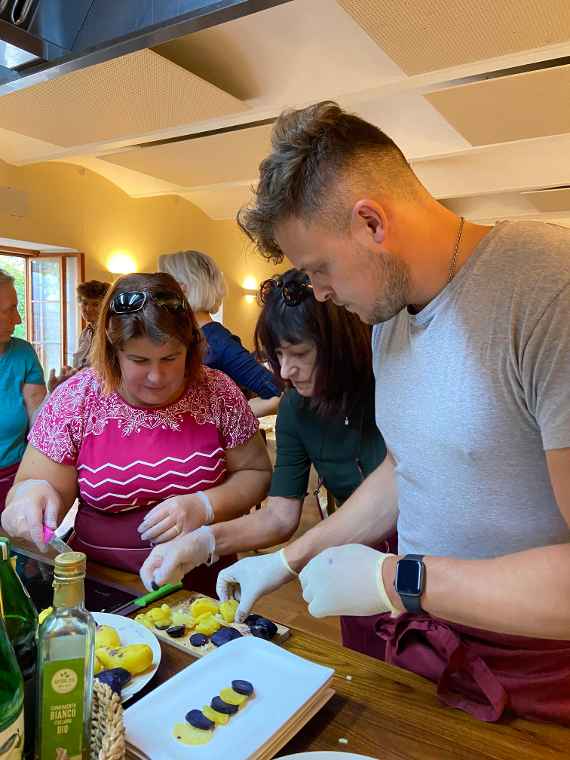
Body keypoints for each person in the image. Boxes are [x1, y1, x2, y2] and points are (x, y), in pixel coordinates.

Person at [234, 101, 570, 724]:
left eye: (319, 268)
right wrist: (288, 559)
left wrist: (400, 580)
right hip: (430, 642)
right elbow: (404, 471)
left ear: (371, 222)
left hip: (540, 670)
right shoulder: (388, 323)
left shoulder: (549, 289)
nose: (322, 294)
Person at [140, 270, 390, 661]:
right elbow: (279, 516)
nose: (285, 371)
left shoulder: (391, 387)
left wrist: (284, 562)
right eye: (277, 356)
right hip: (350, 554)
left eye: (300, 354)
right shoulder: (295, 408)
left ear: (341, 345)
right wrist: (203, 541)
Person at [1, 273, 271, 595]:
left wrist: (206, 505)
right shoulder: (77, 398)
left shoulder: (217, 392)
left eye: (171, 358)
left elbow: (255, 472)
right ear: (114, 353)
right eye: (139, 360)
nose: (157, 376)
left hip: (201, 582)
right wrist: (31, 496)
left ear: (192, 347)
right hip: (103, 582)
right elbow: (37, 487)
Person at [158, 250, 281, 417]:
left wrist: (224, 420)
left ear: (182, 290)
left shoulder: (218, 341)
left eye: (160, 290)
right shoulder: (181, 339)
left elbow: (278, 393)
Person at [0, 269, 46, 511]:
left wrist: (55, 404)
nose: (17, 320)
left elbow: (39, 423)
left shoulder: (23, 353)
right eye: (8, 310)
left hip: (15, 480)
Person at [48, 279, 111, 392]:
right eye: (85, 303)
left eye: (95, 304)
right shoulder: (86, 332)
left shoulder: (110, 333)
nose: (88, 309)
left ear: (105, 306)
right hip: (82, 388)